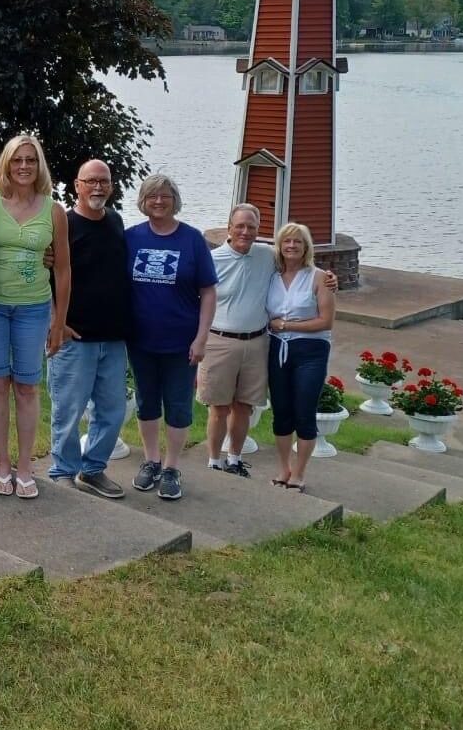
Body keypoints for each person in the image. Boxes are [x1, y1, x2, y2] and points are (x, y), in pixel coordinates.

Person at [200, 204, 339, 479]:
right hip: (220, 340)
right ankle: (214, 461)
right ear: (229, 228)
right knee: (218, 407)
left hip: (257, 342)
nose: (245, 232)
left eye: (251, 227)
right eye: (239, 226)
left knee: (244, 406)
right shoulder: (212, 260)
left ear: (258, 230)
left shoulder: (266, 255)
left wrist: (331, 279)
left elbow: (299, 261)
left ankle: (235, 459)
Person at [0, 134, 69, 499]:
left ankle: (24, 467)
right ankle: (2, 463)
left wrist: (59, 321)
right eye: (17, 159)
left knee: (27, 386)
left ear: (39, 165)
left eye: (30, 160)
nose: (23, 166)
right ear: (6, 163)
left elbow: (63, 269)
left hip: (34, 309)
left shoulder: (54, 210)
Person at [126, 173, 217, 501]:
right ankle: (151, 460)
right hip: (140, 340)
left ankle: (171, 467)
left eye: (165, 196)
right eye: (152, 196)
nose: (159, 201)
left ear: (174, 199)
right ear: (143, 201)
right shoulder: (131, 238)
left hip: (182, 343)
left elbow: (208, 291)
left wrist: (202, 337)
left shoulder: (192, 240)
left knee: (178, 406)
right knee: (146, 402)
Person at [45, 158, 130, 498]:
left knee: (112, 411)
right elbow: (45, 275)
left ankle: (93, 469)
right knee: (67, 410)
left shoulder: (115, 220)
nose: (98, 187)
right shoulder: (62, 224)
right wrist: (57, 322)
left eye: (104, 181)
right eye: (91, 181)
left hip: (112, 336)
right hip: (74, 337)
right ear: (76, 185)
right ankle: (63, 471)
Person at [266, 222, 336, 493]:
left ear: (306, 247)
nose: (292, 246)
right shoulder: (271, 276)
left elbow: (326, 321)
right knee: (281, 412)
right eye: (287, 241)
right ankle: (284, 469)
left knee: (304, 411)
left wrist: (286, 325)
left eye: (298, 241)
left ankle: (300, 472)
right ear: (279, 246)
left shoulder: (320, 277)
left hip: (311, 351)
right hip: (277, 350)